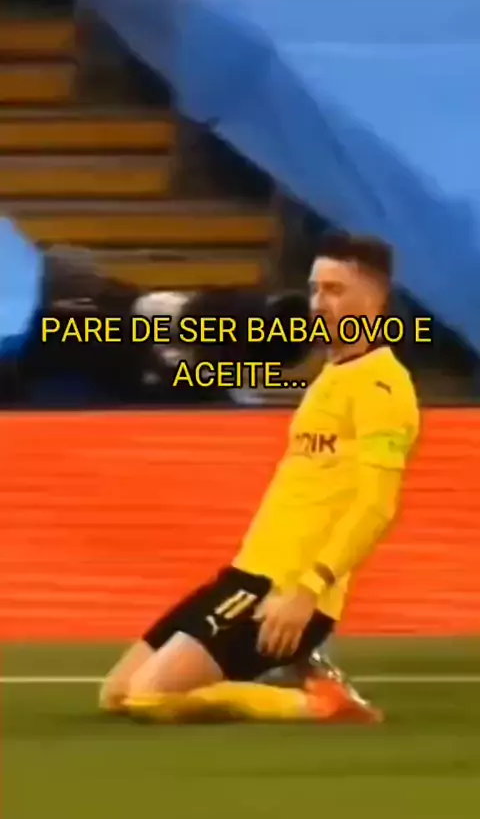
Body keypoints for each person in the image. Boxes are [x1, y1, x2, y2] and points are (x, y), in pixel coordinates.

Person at [99, 234, 420, 724]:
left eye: (335, 290)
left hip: (287, 588)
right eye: (315, 289)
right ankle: (297, 669)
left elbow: (377, 506)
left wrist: (307, 591)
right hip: (247, 576)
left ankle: (316, 704)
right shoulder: (333, 373)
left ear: (375, 301)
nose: (319, 303)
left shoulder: (382, 387)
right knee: (116, 695)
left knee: (148, 699)